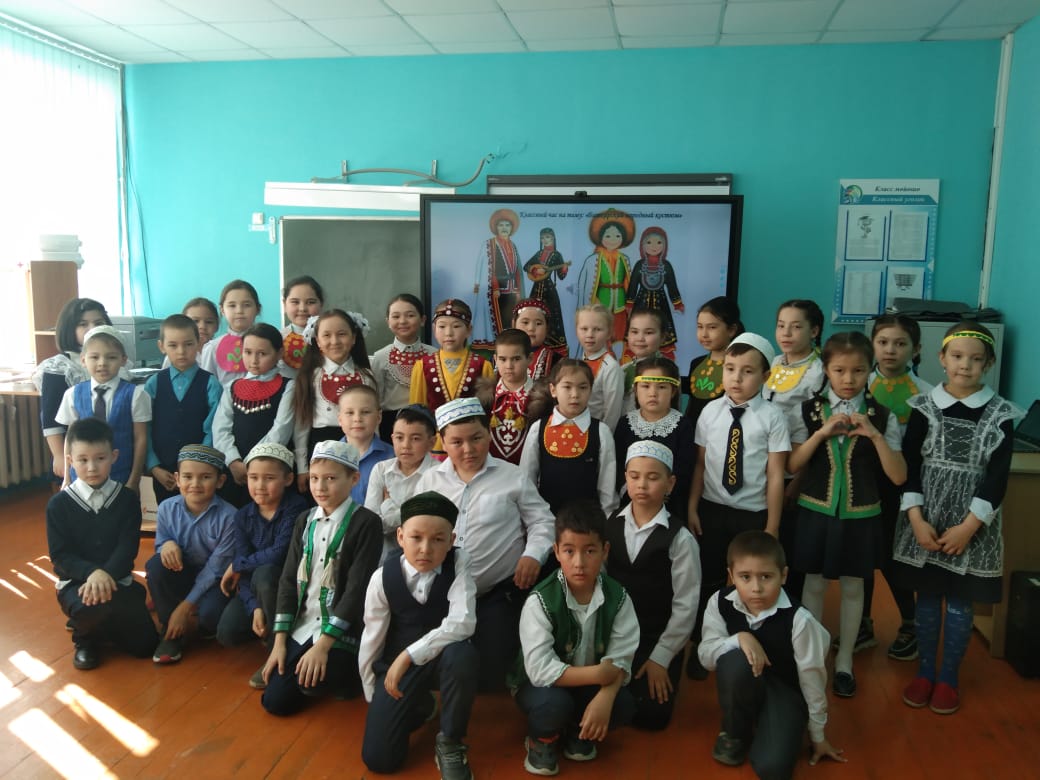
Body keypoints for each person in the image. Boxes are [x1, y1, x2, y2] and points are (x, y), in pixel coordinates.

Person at [891, 322, 1022, 715]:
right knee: (928, 597)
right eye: (958, 356)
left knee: (961, 602)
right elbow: (910, 466)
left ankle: (948, 677)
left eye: (976, 359)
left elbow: (997, 478)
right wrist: (916, 519)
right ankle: (925, 672)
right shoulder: (923, 407)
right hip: (926, 519)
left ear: (989, 363)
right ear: (942, 358)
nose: (965, 365)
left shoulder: (1000, 414)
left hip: (971, 524)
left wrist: (968, 527)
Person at [787, 332, 906, 698]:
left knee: (855, 587)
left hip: (861, 515)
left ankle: (844, 661)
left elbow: (898, 475)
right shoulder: (806, 410)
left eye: (858, 370)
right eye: (839, 370)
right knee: (814, 584)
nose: (849, 378)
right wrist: (821, 433)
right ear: (826, 369)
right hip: (815, 510)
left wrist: (875, 436)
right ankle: (812, 658)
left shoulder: (882, 415)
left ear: (870, 370)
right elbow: (792, 464)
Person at [416, 397, 555, 691]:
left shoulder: (512, 476)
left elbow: (543, 521)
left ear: (489, 434)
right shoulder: (430, 481)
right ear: (442, 441)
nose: (468, 449)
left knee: (492, 672)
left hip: (497, 594)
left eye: (476, 438)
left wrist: (533, 555)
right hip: (443, 591)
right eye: (457, 442)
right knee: (439, 662)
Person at [698, 531, 844, 778]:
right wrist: (739, 639)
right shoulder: (719, 602)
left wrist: (818, 735)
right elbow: (706, 656)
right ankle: (735, 732)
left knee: (773, 768)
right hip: (746, 681)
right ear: (731, 575)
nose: (756, 588)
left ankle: (776, 725)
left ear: (783, 575)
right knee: (733, 659)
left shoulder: (800, 620)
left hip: (785, 692)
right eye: (745, 577)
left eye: (766, 577)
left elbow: (812, 680)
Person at [687, 333, 789, 681]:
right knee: (709, 579)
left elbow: (775, 475)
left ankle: (749, 644)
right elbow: (700, 465)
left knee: (747, 584)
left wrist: (772, 525)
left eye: (747, 371)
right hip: (713, 508)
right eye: (730, 369)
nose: (736, 378)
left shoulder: (773, 417)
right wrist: (692, 506)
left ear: (765, 376)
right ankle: (704, 643)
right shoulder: (709, 412)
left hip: (752, 514)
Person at [359, 491, 479, 780]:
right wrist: (374, 696)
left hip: (442, 659)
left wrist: (409, 654)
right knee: (379, 760)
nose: (426, 549)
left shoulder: (459, 563)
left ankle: (450, 741)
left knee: (462, 654)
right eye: (416, 538)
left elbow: (463, 622)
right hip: (398, 665)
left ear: (451, 541)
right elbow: (372, 636)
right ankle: (421, 705)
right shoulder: (382, 577)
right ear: (400, 537)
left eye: (438, 539)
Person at [512, 501, 638, 776]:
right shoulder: (540, 600)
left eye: (590, 551)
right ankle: (541, 739)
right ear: (556, 551)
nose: (579, 563)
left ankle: (576, 730)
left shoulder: (618, 598)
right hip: (541, 688)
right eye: (569, 551)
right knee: (554, 705)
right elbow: (540, 671)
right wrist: (600, 674)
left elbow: (622, 657)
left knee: (623, 704)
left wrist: (606, 695)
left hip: (589, 683)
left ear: (605, 551)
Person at [261, 440, 383, 715]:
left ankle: (341, 671)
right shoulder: (304, 520)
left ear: (354, 479)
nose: (320, 487)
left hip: (341, 628)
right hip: (304, 624)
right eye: (315, 478)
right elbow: (288, 580)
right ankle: (303, 665)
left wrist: (323, 646)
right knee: (275, 703)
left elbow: (356, 590)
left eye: (331, 479)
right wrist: (279, 642)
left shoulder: (366, 522)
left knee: (323, 680)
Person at [46, 418, 158, 670]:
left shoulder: (126, 499)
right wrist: (92, 573)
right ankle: (84, 639)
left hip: (117, 579)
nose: (92, 467)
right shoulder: (58, 505)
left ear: (114, 456)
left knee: (146, 647)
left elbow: (127, 548)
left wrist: (105, 574)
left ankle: (102, 624)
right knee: (90, 605)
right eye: (83, 460)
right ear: (70, 460)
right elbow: (60, 556)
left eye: (100, 458)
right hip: (77, 584)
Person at [605, 441, 698, 730]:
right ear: (626, 478)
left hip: (655, 637)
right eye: (634, 476)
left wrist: (661, 657)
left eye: (653, 477)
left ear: (670, 483)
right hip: (613, 634)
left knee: (650, 717)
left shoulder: (680, 539)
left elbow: (686, 604)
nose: (642, 485)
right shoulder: (609, 526)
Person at [862, 315, 934, 660]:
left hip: (902, 486)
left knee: (895, 559)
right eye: (883, 342)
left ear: (916, 349)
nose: (890, 350)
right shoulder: (858, 383)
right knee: (860, 556)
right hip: (861, 483)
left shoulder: (928, 395)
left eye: (900, 343)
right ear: (872, 345)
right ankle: (861, 623)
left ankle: (910, 623)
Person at [215, 442, 308, 689]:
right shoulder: (243, 515)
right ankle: (266, 625)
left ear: (288, 479)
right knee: (226, 633)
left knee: (265, 574)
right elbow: (243, 568)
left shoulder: (297, 508)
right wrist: (254, 606)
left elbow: (278, 555)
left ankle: (277, 650)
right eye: (253, 477)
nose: (260, 485)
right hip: (257, 588)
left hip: (287, 586)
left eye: (269, 478)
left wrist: (238, 565)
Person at [146, 444, 237, 665]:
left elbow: (215, 569)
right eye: (187, 476)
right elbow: (161, 543)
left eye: (205, 477)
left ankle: (190, 615)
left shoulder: (230, 517)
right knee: (156, 565)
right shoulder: (166, 508)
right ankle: (171, 631)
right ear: (177, 479)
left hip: (214, 581)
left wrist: (185, 607)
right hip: (183, 573)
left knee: (210, 618)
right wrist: (166, 544)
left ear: (220, 481)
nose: (195, 484)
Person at [764, 299, 826, 609]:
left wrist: (799, 480)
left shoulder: (819, 371)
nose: (786, 333)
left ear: (814, 331)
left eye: (796, 326)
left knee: (791, 548)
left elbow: (818, 431)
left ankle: (793, 613)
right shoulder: (774, 362)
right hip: (767, 464)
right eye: (781, 325)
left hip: (797, 468)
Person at [55, 325, 151, 491]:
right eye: (94, 357)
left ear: (123, 360)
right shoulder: (72, 395)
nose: (102, 363)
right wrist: (67, 477)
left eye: (111, 357)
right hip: (81, 478)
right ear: (83, 360)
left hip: (121, 477)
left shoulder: (136, 395)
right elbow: (70, 438)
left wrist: (134, 480)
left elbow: (141, 439)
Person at [292, 309, 377, 494]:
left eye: (342, 334)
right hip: (321, 447)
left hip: (359, 445)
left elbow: (374, 421)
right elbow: (301, 425)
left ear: (353, 338)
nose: (335, 341)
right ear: (317, 341)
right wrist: (302, 467)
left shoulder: (366, 376)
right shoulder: (310, 377)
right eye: (327, 335)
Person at [212, 323, 297, 507]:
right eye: (248, 352)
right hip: (235, 471)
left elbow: (281, 429)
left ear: (279, 353)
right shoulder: (232, 386)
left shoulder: (289, 386)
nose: (254, 360)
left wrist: (253, 466)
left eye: (262, 354)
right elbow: (220, 429)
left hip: (270, 469)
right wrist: (233, 461)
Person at [519, 359, 617, 517]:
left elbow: (607, 489)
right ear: (553, 390)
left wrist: (605, 521)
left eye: (583, 387)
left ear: (591, 390)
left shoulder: (601, 432)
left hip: (587, 523)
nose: (575, 395)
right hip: (545, 520)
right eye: (567, 387)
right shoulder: (538, 429)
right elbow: (526, 480)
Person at [144, 314, 222, 504]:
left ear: (199, 343)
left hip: (200, 475)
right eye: (173, 345)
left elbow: (213, 428)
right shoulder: (154, 383)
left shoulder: (210, 383)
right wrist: (154, 467)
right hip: (163, 472)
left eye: (188, 344)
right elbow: (145, 428)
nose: (181, 351)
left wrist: (199, 464)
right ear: (161, 346)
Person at [32, 297, 112, 481]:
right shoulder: (59, 366)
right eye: (83, 324)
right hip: (76, 452)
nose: (92, 328)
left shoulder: (114, 361)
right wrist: (59, 456)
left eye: (98, 323)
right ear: (69, 328)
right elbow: (50, 418)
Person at [613, 356, 694, 523]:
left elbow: (684, 468)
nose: (653, 393)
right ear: (635, 390)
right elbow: (618, 463)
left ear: (673, 391)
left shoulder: (682, 425)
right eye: (645, 386)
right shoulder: (625, 423)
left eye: (662, 387)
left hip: (670, 506)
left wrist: (661, 493)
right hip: (630, 502)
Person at [409, 299, 494, 454]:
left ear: (469, 330)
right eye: (442, 326)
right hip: (435, 447)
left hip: (470, 447)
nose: (448, 333)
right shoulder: (422, 366)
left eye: (456, 326)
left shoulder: (483, 366)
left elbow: (487, 412)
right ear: (434, 329)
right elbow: (417, 412)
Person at [365, 405, 438, 559]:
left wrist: (388, 505)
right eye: (399, 438)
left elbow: (423, 525)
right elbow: (370, 525)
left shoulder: (438, 474)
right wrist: (410, 512)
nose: (405, 445)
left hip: (425, 556)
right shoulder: (381, 470)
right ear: (392, 438)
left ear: (432, 442)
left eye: (415, 439)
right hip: (383, 557)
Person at [371, 294, 436, 442]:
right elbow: (376, 399)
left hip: (427, 421)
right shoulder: (381, 356)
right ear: (388, 322)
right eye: (396, 316)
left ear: (422, 320)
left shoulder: (434, 354)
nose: (402, 321)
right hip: (391, 423)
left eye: (410, 315)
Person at [576, 208, 636, 351]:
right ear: (600, 237)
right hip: (601, 306)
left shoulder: (625, 259)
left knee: (620, 336)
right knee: (600, 336)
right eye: (608, 236)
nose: (613, 239)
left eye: (617, 236)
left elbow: (629, 283)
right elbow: (586, 287)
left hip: (620, 307)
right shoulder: (593, 260)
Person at [624, 227, 684, 361]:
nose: (654, 246)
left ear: (665, 246)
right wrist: (629, 303)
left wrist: (677, 303)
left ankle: (662, 361)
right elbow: (633, 285)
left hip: (661, 304)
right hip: (641, 303)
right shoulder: (639, 265)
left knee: (662, 328)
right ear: (642, 246)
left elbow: (672, 285)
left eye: (659, 243)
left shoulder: (666, 266)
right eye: (649, 242)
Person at [478, 327, 536, 464]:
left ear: (529, 359)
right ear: (495, 359)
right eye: (503, 359)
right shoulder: (484, 397)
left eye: (516, 359)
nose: (509, 365)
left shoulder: (541, 398)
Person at [685, 296, 743, 428]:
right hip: (693, 431)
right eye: (700, 327)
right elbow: (691, 406)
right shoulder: (696, 363)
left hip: (721, 432)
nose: (704, 334)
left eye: (712, 327)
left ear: (731, 330)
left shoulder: (737, 368)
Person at [474, 208, 525, 347]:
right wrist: (495, 287)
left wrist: (518, 290)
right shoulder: (488, 245)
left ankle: (509, 344)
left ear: (512, 228)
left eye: (507, 225)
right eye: (501, 225)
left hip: (511, 290)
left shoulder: (513, 246)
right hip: (496, 290)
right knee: (497, 318)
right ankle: (496, 344)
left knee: (510, 319)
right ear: (495, 227)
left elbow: (517, 270)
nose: (504, 228)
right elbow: (488, 269)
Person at [199, 279, 263, 389]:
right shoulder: (213, 348)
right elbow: (207, 387)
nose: (239, 311)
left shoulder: (269, 343)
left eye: (247, 305)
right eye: (232, 305)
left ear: (258, 309)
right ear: (222, 310)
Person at [337, 384, 393, 505]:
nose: (357, 418)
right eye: (350, 412)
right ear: (340, 419)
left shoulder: (392, 457)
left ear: (379, 417)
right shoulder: (328, 457)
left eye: (365, 412)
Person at [576, 303, 624, 430]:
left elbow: (612, 412)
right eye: (584, 329)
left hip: (596, 433)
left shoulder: (611, 367)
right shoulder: (577, 362)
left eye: (597, 329)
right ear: (576, 330)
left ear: (609, 333)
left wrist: (604, 437)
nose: (590, 334)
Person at [523, 227, 570, 356]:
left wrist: (564, 268)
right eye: (542, 238)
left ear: (553, 238)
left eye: (547, 237)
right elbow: (526, 266)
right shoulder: (538, 254)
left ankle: (553, 348)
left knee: (551, 316)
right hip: (536, 288)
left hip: (549, 290)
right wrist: (535, 270)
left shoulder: (557, 255)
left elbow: (561, 276)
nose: (545, 240)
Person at [620, 308, 664, 412]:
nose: (640, 338)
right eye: (634, 332)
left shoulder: (666, 370)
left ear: (662, 337)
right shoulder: (624, 368)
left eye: (648, 333)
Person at [279, 275, 324, 375]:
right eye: (295, 302)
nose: (302, 308)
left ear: (321, 304)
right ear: (284, 304)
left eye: (310, 302)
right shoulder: (277, 338)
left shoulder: (329, 337)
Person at [513, 298, 558, 381]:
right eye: (525, 322)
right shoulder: (500, 357)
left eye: (538, 323)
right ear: (514, 324)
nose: (531, 328)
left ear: (547, 328)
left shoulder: (556, 361)